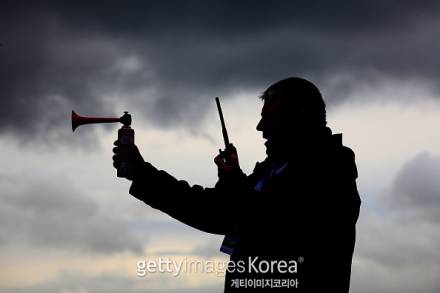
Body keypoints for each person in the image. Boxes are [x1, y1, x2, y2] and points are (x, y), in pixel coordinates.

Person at [112, 77, 361, 292]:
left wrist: (234, 183)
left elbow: (269, 220)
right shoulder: (272, 170)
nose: (260, 127)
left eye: (269, 117)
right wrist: (141, 174)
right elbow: (216, 211)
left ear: (300, 115)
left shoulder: (332, 168)